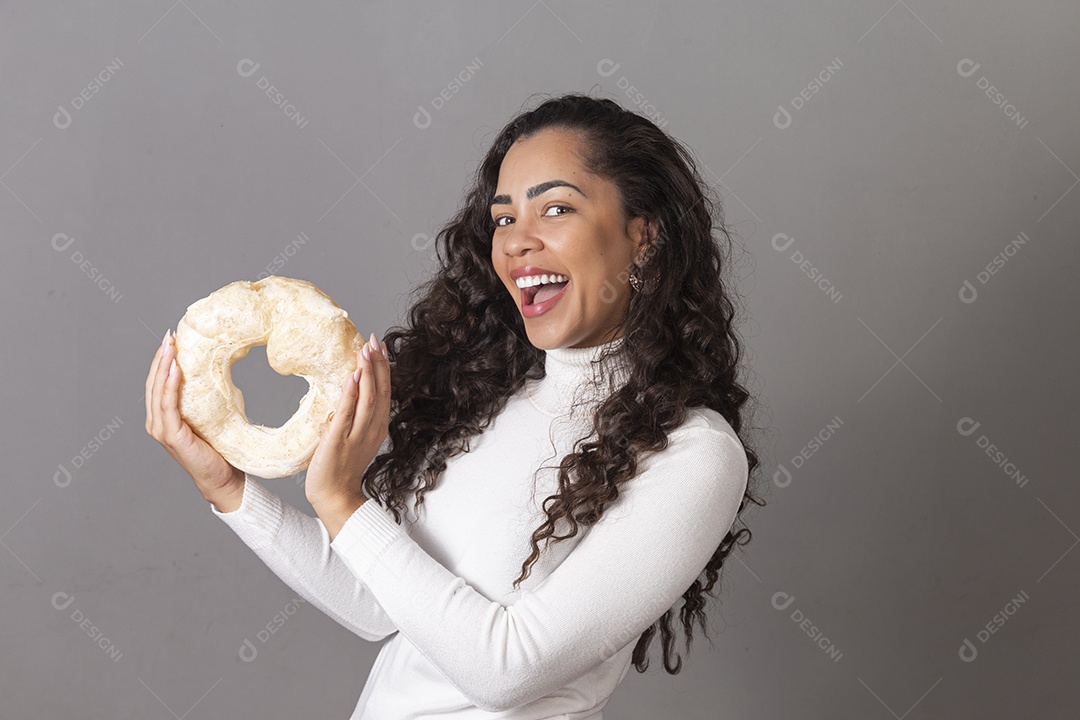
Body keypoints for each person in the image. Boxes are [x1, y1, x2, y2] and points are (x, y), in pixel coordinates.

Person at [146, 92, 764, 719]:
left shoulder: (694, 454)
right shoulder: (491, 401)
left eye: (555, 208)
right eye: (502, 219)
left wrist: (342, 500)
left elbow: (507, 670)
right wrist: (227, 487)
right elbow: (373, 604)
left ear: (645, 235)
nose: (517, 243)